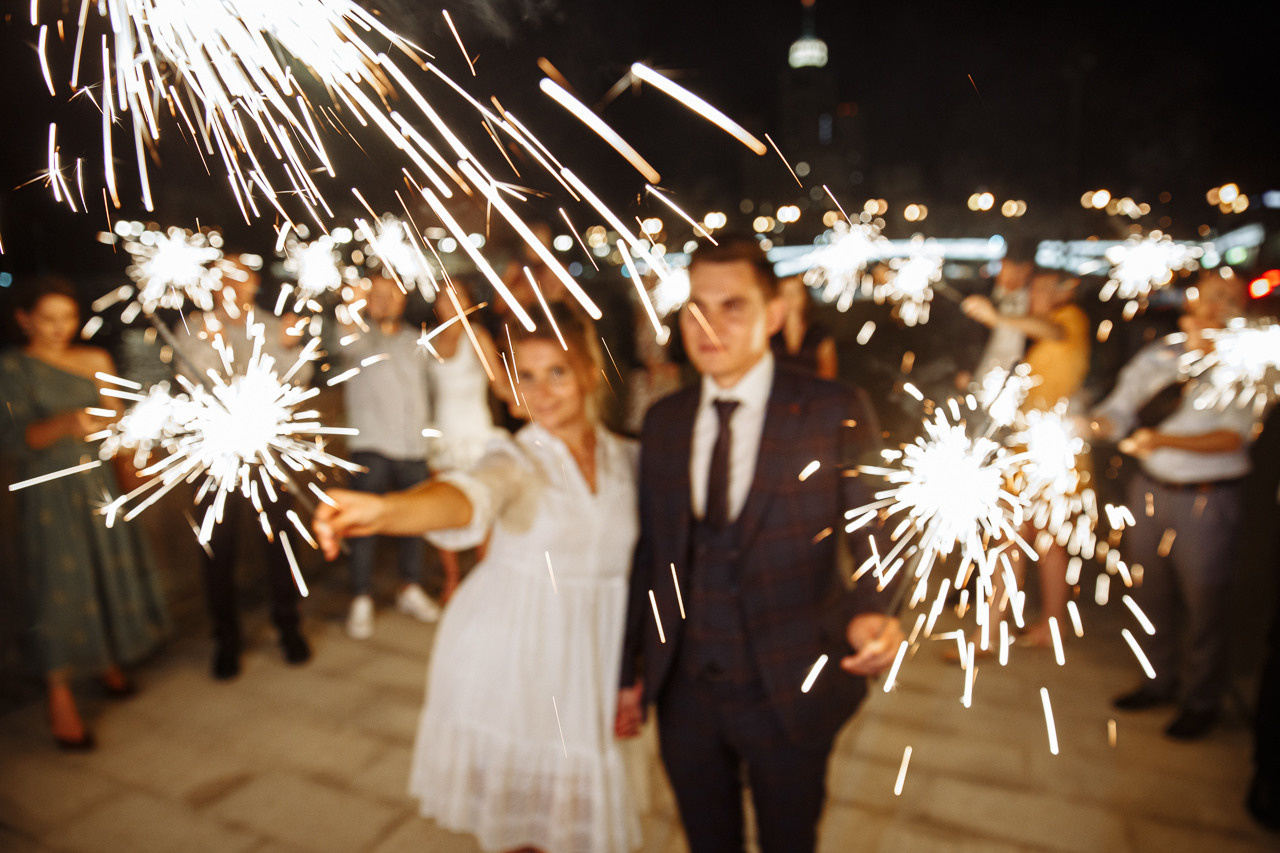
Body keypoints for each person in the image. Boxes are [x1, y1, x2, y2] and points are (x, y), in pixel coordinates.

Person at [314, 305, 641, 853]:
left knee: (576, 818)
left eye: (556, 371)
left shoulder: (630, 458)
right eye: (527, 376)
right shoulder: (514, 456)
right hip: (515, 655)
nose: (542, 391)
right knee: (523, 822)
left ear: (588, 371)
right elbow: (467, 494)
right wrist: (388, 511)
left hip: (592, 652)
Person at [615, 236, 904, 853]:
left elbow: (879, 532)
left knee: (789, 840)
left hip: (790, 684)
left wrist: (874, 611)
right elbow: (651, 557)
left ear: (774, 315)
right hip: (684, 691)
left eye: (733, 306)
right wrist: (629, 670)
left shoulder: (832, 409)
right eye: (696, 305)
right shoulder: (664, 421)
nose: (707, 325)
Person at [0, 275, 168, 750]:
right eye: (48, 318)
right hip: (49, 493)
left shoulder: (93, 359)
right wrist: (65, 423)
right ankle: (60, 695)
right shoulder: (13, 368)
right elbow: (16, 440)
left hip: (96, 483)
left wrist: (136, 461)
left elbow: (118, 424)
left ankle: (107, 661)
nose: (59, 327)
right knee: (58, 585)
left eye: (67, 317)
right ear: (24, 318)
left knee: (104, 572)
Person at [1088, 269, 1256, 739]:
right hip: (1149, 490)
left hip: (1206, 499)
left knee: (1205, 600)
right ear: (1192, 298)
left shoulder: (1248, 367)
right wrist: (1096, 425)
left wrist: (1158, 439)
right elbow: (1120, 408)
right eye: (1210, 294)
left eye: (1230, 298)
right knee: (1149, 590)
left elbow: (1233, 437)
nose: (1216, 305)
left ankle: (1202, 699)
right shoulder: (1161, 353)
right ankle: (1157, 680)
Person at [173, 254, 311, 680]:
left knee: (280, 545)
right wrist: (213, 344)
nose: (234, 288)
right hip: (215, 455)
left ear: (254, 286)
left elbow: (298, 383)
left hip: (268, 452)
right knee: (219, 549)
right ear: (213, 286)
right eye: (225, 280)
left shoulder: (273, 326)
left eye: (243, 280)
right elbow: (193, 381)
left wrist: (292, 349)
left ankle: (289, 628)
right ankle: (226, 641)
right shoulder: (194, 328)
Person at [961, 269, 1090, 647]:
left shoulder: (1070, 320)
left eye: (1045, 287)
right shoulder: (1038, 328)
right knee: (1014, 537)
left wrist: (997, 317)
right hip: (1026, 446)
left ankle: (1039, 627)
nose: (1036, 295)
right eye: (1034, 289)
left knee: (1045, 541)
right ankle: (1001, 626)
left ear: (1064, 290)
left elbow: (1051, 332)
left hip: (1053, 450)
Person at [338, 273, 441, 639]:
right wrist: (355, 298)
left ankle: (409, 587)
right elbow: (343, 333)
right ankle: (361, 597)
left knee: (415, 521)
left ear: (403, 300)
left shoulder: (416, 340)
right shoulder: (357, 336)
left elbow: (429, 391)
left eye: (391, 295)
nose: (384, 302)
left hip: (414, 445)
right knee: (364, 524)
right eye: (377, 295)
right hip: (372, 445)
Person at [424, 280, 509, 601]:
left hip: (475, 432)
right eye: (445, 296)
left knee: (480, 505)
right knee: (444, 504)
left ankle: (485, 577)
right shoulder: (431, 339)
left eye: (458, 295)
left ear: (469, 300)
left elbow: (498, 382)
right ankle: (453, 580)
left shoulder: (477, 336)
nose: (451, 301)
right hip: (443, 434)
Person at [956, 237, 1037, 392]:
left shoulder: (1035, 297)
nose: (1014, 276)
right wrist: (963, 368)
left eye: (1022, 270)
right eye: (1010, 268)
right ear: (1001, 264)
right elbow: (962, 336)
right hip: (979, 377)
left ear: (1030, 271)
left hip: (1019, 382)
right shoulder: (980, 293)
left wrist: (996, 317)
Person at [771, 274, 837, 379]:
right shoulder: (769, 334)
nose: (790, 299)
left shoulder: (820, 334)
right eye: (785, 293)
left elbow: (828, 376)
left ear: (805, 296)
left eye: (795, 293)